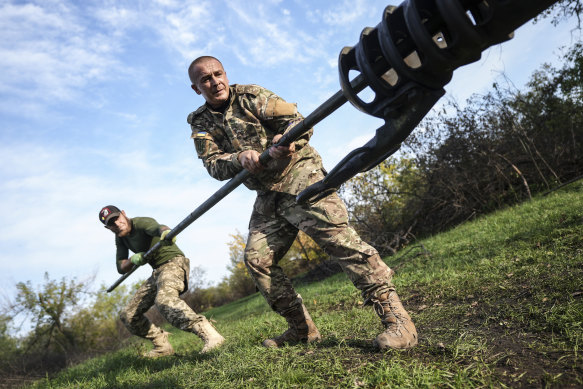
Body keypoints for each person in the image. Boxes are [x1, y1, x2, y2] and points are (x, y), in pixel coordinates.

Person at [186, 56, 417, 350]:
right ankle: (302, 329)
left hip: (301, 176)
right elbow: (213, 166)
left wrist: (288, 140)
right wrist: (237, 158)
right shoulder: (200, 123)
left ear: (225, 74)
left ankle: (399, 323)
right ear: (196, 88)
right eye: (206, 79)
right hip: (268, 195)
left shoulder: (251, 96)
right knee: (258, 261)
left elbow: (298, 121)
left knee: (342, 243)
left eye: (218, 74)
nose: (215, 81)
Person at [99, 205, 225, 357]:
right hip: (157, 272)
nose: (117, 224)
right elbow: (121, 266)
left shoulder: (141, 222)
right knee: (128, 315)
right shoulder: (120, 237)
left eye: (117, 219)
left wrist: (166, 232)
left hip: (173, 263)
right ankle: (162, 346)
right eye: (111, 224)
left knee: (164, 300)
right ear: (108, 228)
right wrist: (133, 259)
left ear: (123, 214)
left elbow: (158, 228)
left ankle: (210, 335)